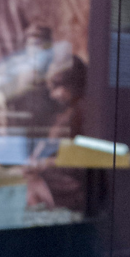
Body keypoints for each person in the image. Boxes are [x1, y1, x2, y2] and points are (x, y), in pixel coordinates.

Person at [23, 54, 88, 209]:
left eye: (57, 86)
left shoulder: (82, 112)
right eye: (51, 87)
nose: (53, 94)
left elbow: (82, 159)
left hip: (74, 184)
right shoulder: (62, 113)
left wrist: (45, 164)